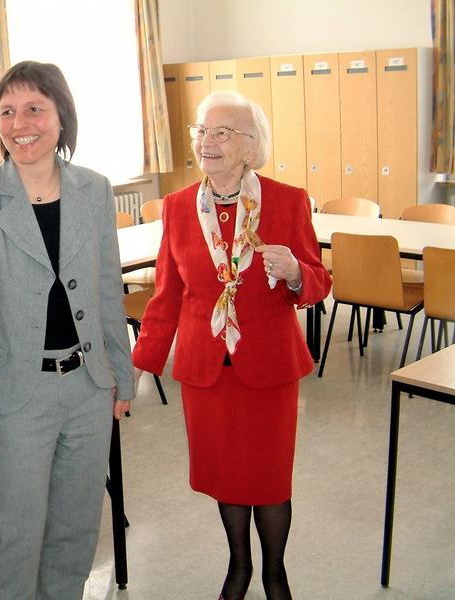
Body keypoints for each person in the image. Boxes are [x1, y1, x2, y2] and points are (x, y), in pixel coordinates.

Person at [0, 61, 135, 600]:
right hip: (15, 396)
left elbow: (105, 293)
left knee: (75, 536)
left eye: (34, 108)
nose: (20, 122)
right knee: (15, 543)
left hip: (89, 388)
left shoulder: (93, 190)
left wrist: (122, 374)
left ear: (60, 117)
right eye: (7, 111)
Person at [132, 91, 331, 600]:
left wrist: (294, 274)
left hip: (267, 368)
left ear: (250, 146)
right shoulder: (178, 209)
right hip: (207, 372)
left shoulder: (288, 201)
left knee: (267, 476)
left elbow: (319, 282)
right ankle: (238, 566)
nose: (206, 141)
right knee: (227, 476)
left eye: (222, 132)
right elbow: (165, 298)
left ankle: (275, 573)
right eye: (202, 130)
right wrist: (136, 368)